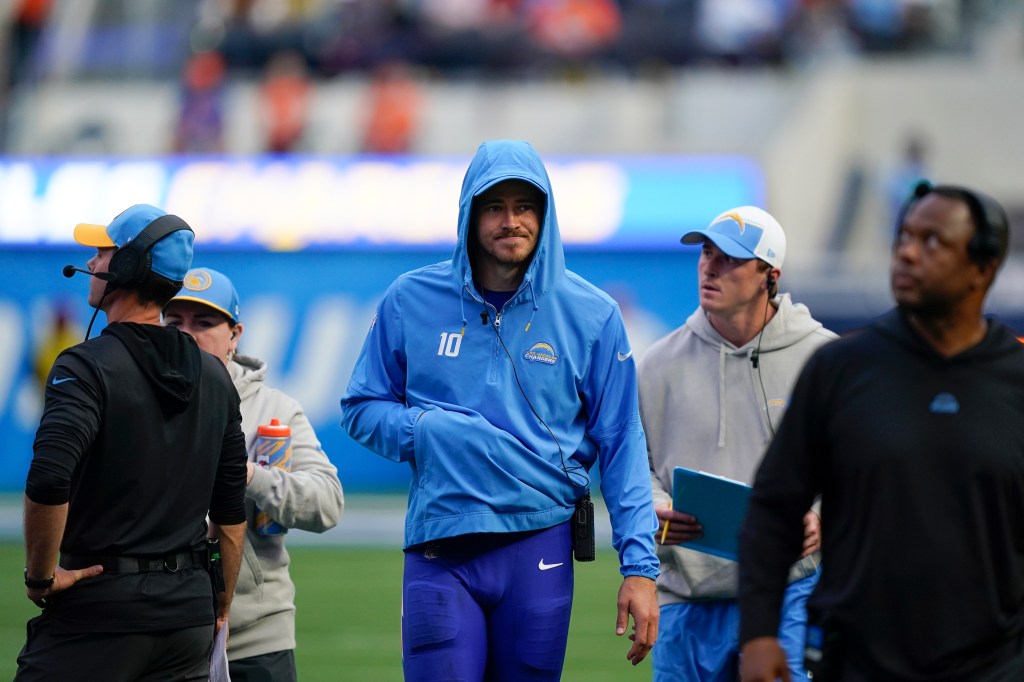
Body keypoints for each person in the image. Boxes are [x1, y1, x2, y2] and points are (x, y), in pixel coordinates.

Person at [340, 139, 659, 680]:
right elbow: (361, 408)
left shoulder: (593, 315)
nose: (511, 221)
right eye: (494, 207)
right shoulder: (409, 299)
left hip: (541, 544)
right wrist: (427, 429)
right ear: (469, 212)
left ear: (545, 213)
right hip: (441, 543)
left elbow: (624, 444)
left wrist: (640, 568)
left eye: (524, 206)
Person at [738, 182, 1024, 682]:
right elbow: (773, 508)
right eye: (904, 236)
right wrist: (759, 634)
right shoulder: (841, 368)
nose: (908, 252)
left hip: (995, 665)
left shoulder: (1016, 379)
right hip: (859, 661)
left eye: (932, 241)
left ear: (983, 267)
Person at [17, 204, 247, 681]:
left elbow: (49, 476)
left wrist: (41, 576)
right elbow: (229, 509)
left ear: (126, 267)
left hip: (100, 612)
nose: (94, 264)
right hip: (188, 617)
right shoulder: (215, 375)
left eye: (103, 253)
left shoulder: (84, 366)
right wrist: (218, 603)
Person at [638, 205, 837, 681]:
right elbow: (634, 465)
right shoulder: (657, 364)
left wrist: (825, 517)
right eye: (706, 253)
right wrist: (653, 509)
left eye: (729, 257)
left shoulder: (824, 358)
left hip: (791, 588)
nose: (709, 266)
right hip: (686, 594)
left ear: (770, 275)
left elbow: (859, 465)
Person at [163, 266, 344, 682]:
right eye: (174, 322)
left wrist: (249, 475)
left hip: (255, 635)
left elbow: (328, 503)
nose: (187, 334)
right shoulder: (139, 402)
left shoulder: (274, 409)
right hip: (162, 634)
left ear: (235, 334)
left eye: (205, 322)